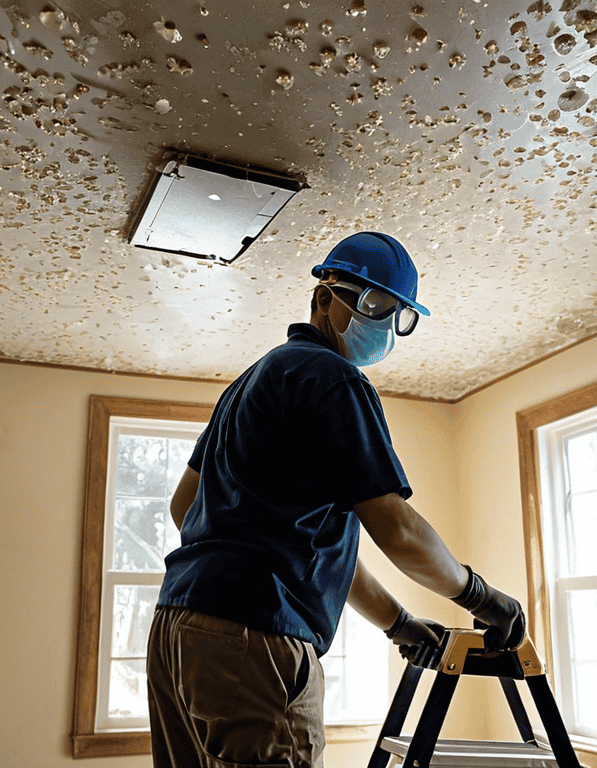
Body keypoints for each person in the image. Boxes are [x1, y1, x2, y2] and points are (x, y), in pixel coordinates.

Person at [147, 231, 525, 768]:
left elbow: (185, 507)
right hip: (257, 638)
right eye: (375, 304)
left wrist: (398, 622)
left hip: (178, 631)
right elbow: (399, 531)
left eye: (400, 316)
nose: (386, 325)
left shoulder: (252, 381)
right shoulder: (331, 378)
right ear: (325, 298)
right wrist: (482, 597)